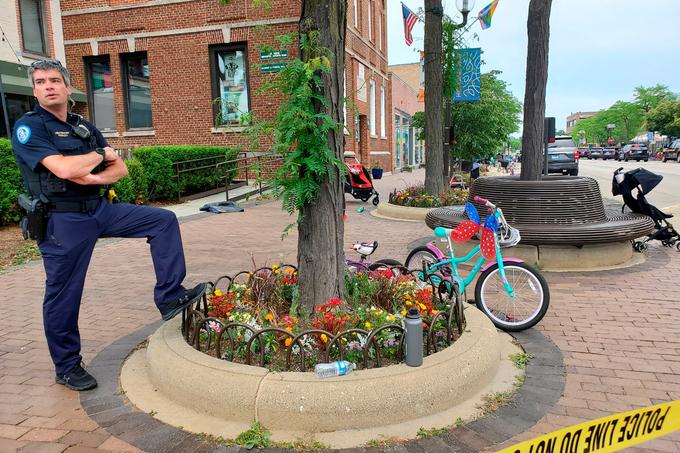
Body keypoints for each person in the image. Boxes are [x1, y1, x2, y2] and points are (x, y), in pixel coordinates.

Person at [11, 59, 207, 391]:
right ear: (34, 90)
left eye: (55, 80)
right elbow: (62, 169)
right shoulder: (30, 128)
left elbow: (121, 171)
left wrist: (90, 172)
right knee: (64, 296)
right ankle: (68, 366)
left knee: (162, 220)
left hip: (100, 209)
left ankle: (170, 295)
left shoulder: (81, 126)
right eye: (41, 82)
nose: (48, 86)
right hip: (63, 221)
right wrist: (100, 156)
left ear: (67, 87)